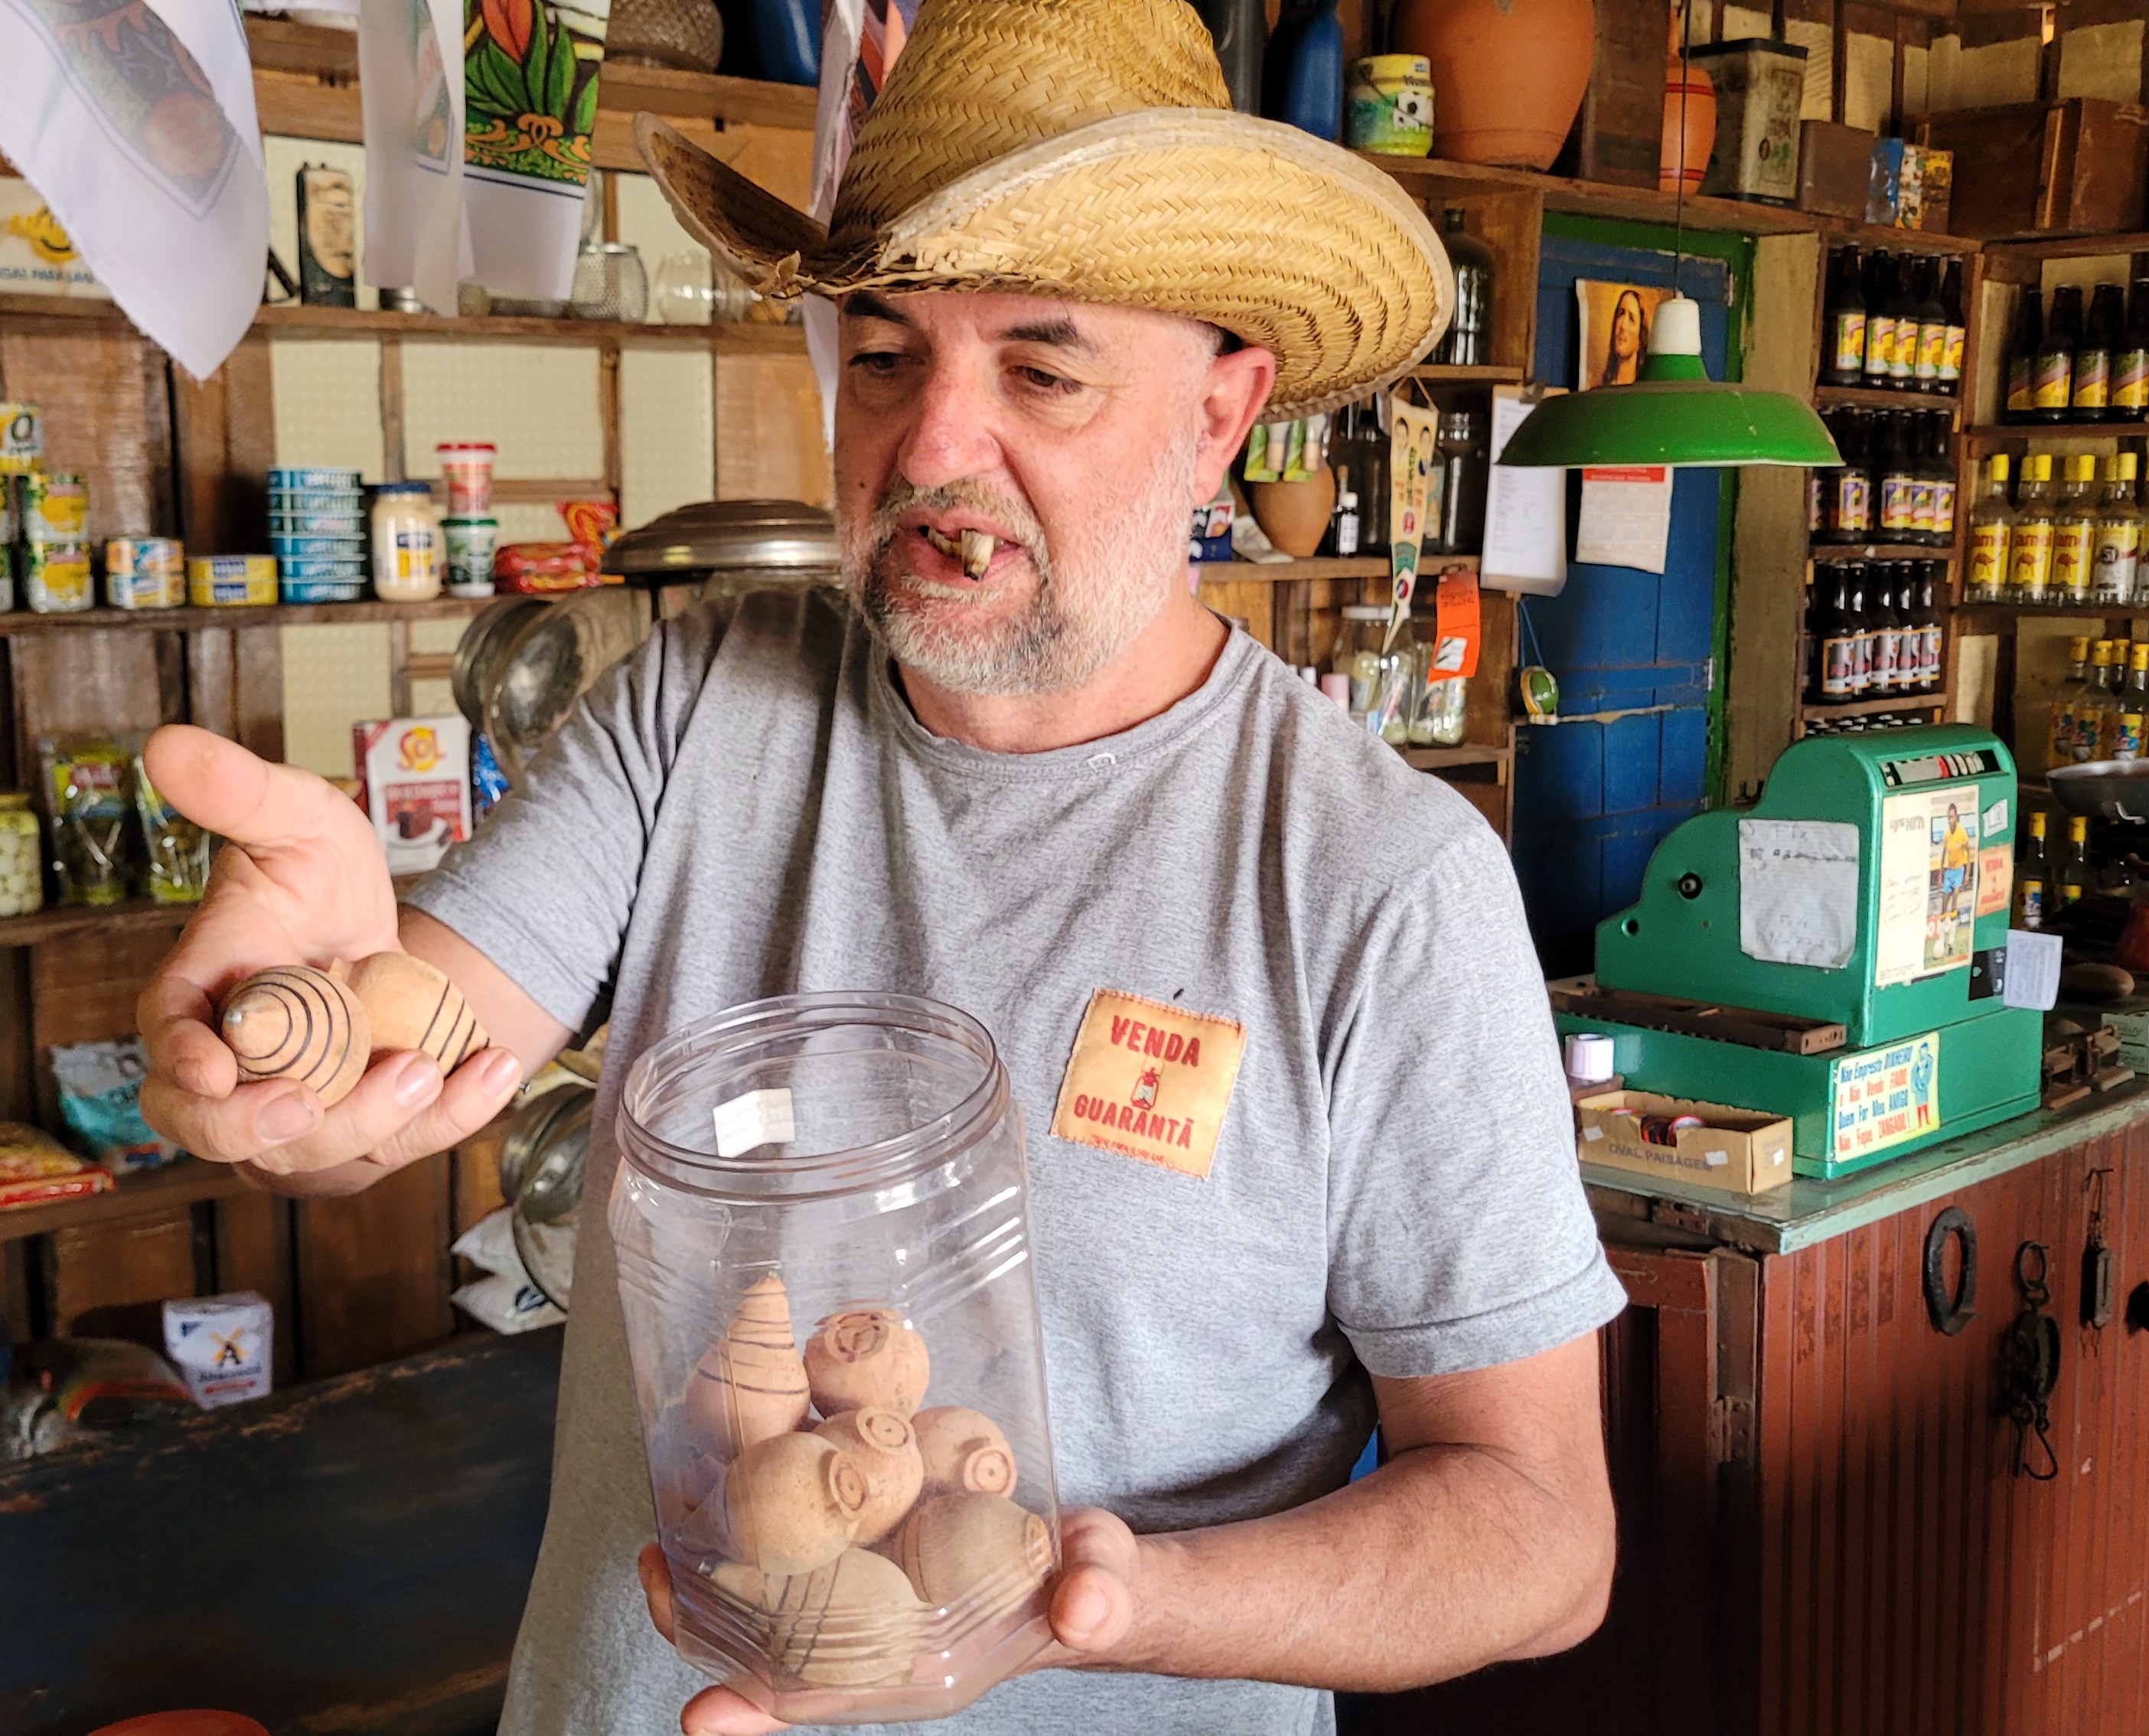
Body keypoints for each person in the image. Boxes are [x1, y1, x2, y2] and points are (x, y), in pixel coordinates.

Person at [134, 0, 1625, 1731]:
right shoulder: (704, 704)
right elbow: (415, 1054)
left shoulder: (1380, 887)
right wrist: (295, 1028)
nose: (927, 446)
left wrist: (1115, 1601)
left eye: (1042, 369)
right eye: (889, 349)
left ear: (1223, 416)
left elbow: (1539, 1534)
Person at [1596, 289, 1649, 387]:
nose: (1623, 325)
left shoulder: (1644, 389)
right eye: (1621, 314)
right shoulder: (1601, 387)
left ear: (1640, 339)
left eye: (1631, 319)